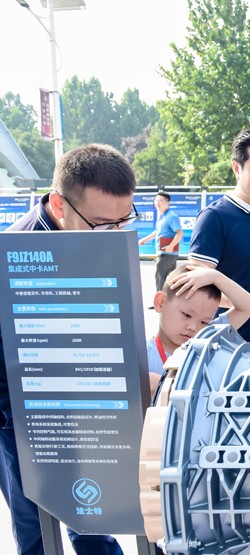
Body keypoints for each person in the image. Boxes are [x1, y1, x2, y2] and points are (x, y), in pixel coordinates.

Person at [2, 144, 137, 555]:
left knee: (93, 510)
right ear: (60, 205)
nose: (114, 234)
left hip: (86, 405)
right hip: (22, 418)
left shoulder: (96, 241)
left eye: (124, 220)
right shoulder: (14, 255)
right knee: (35, 517)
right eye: (102, 224)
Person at [189, 128, 250, 346]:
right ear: (236, 169)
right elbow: (196, 290)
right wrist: (246, 301)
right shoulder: (214, 218)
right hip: (229, 346)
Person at [146, 265, 250, 391]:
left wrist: (215, 277)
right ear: (160, 302)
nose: (193, 327)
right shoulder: (140, 356)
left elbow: (249, 306)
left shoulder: (208, 337)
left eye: (204, 322)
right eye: (186, 315)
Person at [138, 192, 184, 293]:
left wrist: (171, 246)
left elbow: (179, 233)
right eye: (156, 201)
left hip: (167, 253)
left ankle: (160, 299)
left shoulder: (171, 216)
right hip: (164, 252)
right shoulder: (162, 216)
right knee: (168, 278)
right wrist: (145, 239)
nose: (157, 203)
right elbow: (158, 232)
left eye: (160, 201)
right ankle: (167, 299)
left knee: (161, 278)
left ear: (167, 202)